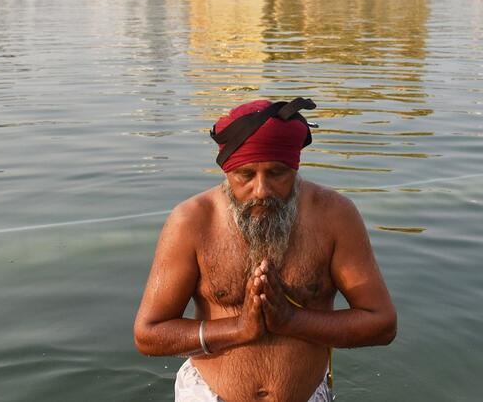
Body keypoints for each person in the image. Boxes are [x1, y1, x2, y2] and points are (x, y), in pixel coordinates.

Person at [135, 98, 397, 402]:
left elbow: (382, 324)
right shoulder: (192, 221)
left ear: (295, 168)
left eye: (277, 173)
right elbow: (149, 335)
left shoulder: (334, 216)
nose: (261, 190)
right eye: (245, 175)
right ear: (227, 172)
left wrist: (292, 321)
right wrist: (239, 328)